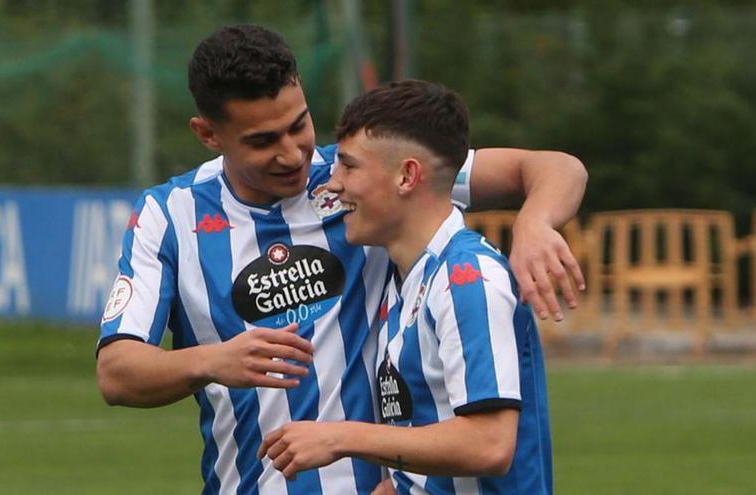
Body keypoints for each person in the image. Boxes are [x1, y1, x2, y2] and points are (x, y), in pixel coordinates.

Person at [96, 25, 582, 495]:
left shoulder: (364, 178)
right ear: (209, 134)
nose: (293, 154)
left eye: (299, 125)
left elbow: (552, 167)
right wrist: (212, 360)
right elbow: (117, 371)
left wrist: (535, 223)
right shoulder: (169, 214)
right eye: (263, 141)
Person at [258, 79, 552, 494]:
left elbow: (489, 445)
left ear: (407, 176)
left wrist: (339, 437)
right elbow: (432, 439)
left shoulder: (467, 278)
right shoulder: (406, 281)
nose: (332, 182)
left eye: (349, 165)